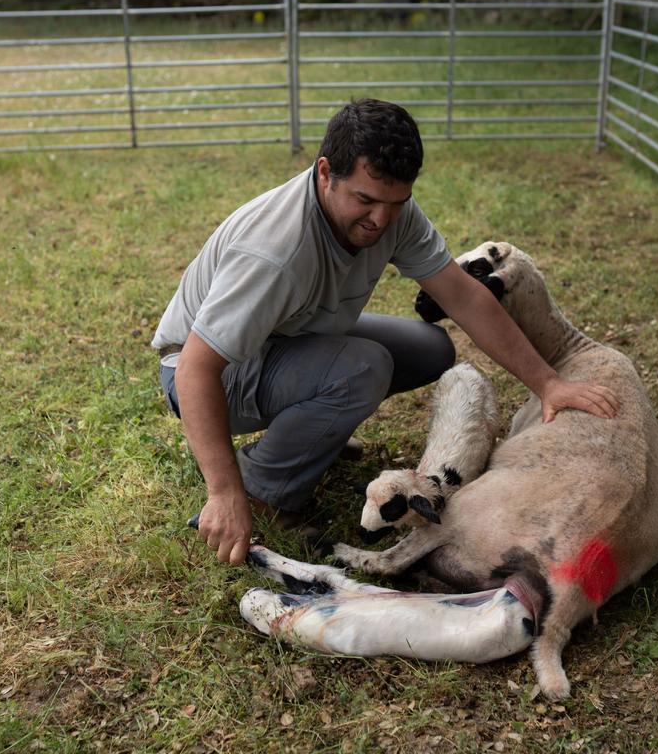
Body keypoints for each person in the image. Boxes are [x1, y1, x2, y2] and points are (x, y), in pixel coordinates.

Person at [152, 98, 619, 566]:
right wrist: (224, 491)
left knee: (428, 347)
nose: (380, 219)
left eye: (394, 203)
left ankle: (307, 436)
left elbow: (463, 296)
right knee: (363, 368)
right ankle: (261, 488)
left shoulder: (394, 212)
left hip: (284, 335)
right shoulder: (274, 252)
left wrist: (548, 383)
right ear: (324, 173)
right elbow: (196, 367)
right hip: (205, 372)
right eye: (365, 200)